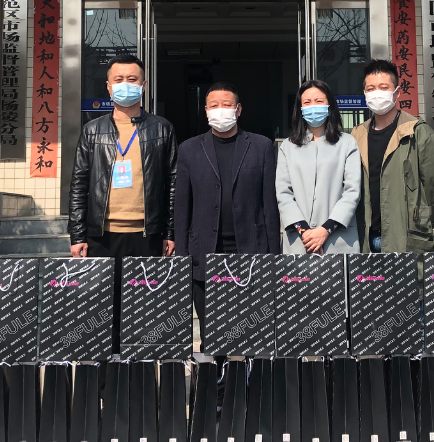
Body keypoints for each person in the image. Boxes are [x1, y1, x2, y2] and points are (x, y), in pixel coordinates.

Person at [68, 54, 177, 348]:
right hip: (102, 235)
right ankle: (106, 374)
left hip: (147, 234)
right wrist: (77, 235)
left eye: (132, 79)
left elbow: (172, 184)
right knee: (103, 312)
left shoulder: (162, 129)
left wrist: (169, 232)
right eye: (118, 80)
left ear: (143, 84)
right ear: (108, 86)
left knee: (145, 311)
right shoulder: (92, 130)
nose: (125, 85)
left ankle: (141, 373)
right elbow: (79, 184)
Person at [174, 81, 280, 322]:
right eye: (214, 105)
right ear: (206, 110)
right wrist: (182, 256)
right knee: (211, 326)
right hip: (204, 252)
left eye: (227, 104)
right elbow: (182, 208)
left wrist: (273, 255)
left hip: (250, 250)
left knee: (250, 325)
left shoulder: (261, 146)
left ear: (238, 109)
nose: (220, 110)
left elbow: (269, 206)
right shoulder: (189, 149)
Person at [350, 58, 434, 260]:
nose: (376, 93)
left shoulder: (418, 132)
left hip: (406, 238)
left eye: (383, 87)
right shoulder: (357, 135)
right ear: (364, 94)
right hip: (364, 239)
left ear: (397, 92)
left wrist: (421, 220)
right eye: (370, 89)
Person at [276, 79, 362, 254]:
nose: (313, 106)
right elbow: (284, 193)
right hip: (301, 241)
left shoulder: (347, 143)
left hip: (337, 239)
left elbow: (352, 192)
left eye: (319, 101)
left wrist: (325, 230)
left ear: (329, 106)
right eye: (307, 102)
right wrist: (305, 232)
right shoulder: (288, 146)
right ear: (300, 108)